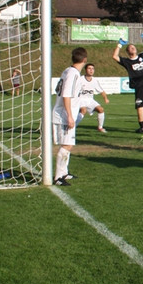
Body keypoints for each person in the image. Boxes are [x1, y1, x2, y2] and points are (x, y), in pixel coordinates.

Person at [52, 47, 87, 186]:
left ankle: (64, 172)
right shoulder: (73, 74)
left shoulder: (67, 70)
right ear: (85, 60)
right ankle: (58, 177)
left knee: (69, 144)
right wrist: (70, 116)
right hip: (64, 114)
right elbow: (66, 95)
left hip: (64, 112)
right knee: (67, 145)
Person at [112, 34, 143, 138]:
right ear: (128, 52)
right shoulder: (127, 62)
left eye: (133, 47)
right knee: (140, 113)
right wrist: (119, 45)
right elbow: (114, 56)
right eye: (130, 48)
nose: (132, 48)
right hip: (139, 89)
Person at [76, 63, 109, 133]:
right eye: (89, 68)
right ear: (85, 70)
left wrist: (105, 98)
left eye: (92, 69)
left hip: (90, 100)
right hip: (80, 99)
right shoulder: (80, 79)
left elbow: (101, 91)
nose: (91, 70)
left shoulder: (95, 81)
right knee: (83, 111)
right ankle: (73, 127)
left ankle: (100, 128)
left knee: (101, 109)